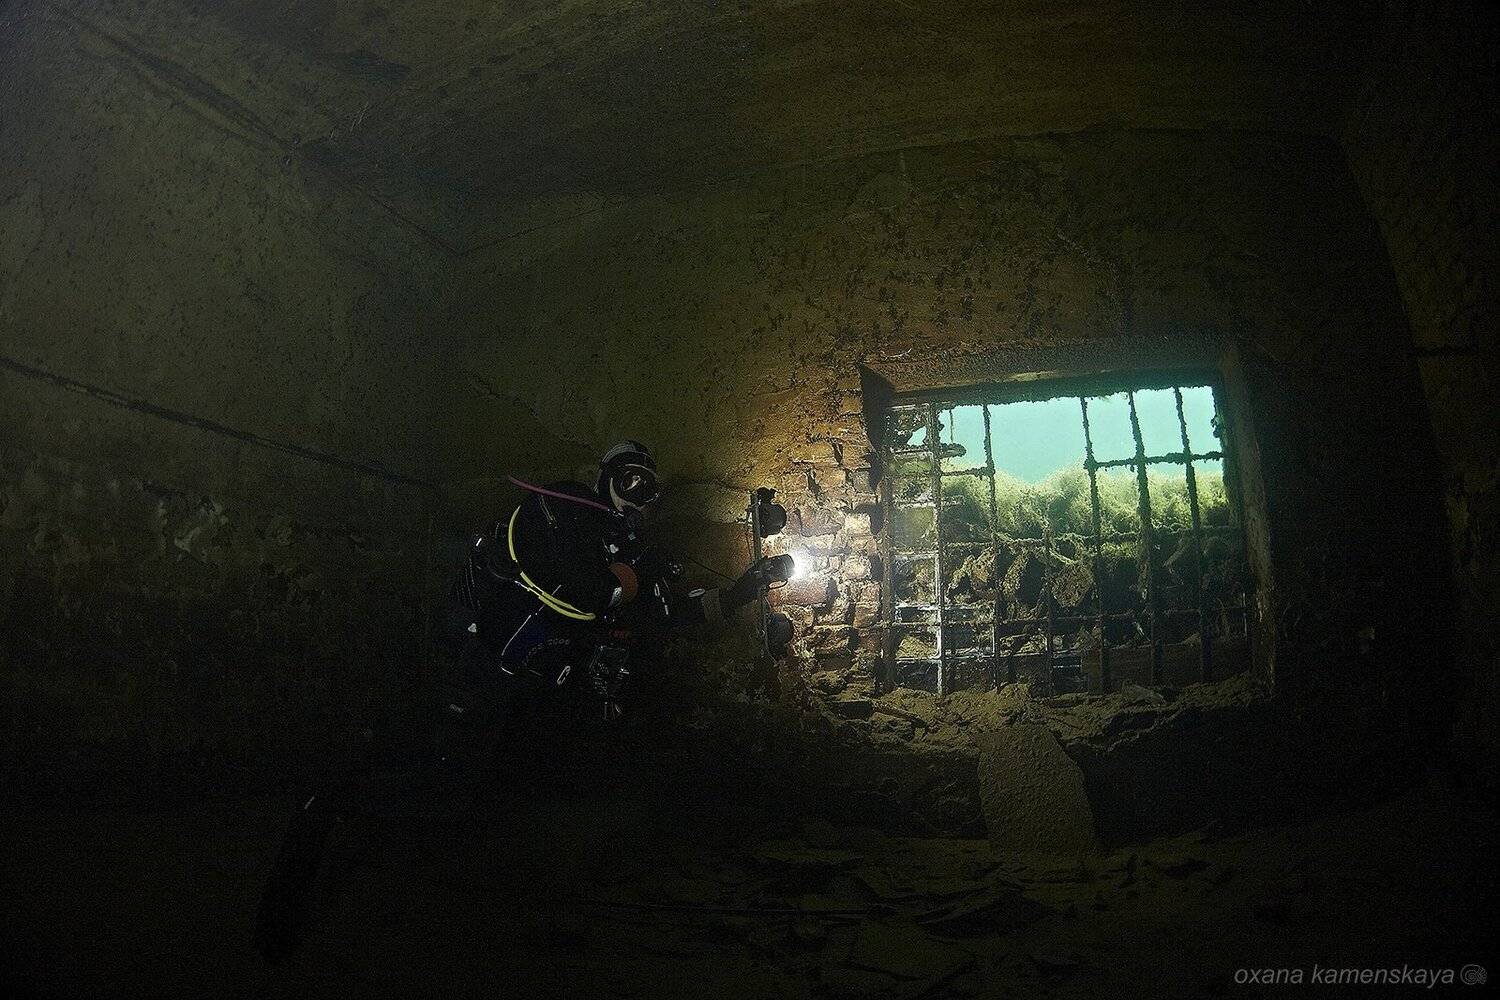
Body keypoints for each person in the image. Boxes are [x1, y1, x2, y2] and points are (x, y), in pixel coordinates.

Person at [254, 440, 788, 961]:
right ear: (605, 478)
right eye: (631, 480)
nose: (639, 495)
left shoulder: (626, 550)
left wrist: (744, 589)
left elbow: (670, 616)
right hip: (490, 667)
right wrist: (634, 578)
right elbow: (578, 595)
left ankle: (506, 922)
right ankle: (323, 809)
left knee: (515, 789)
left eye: (650, 489)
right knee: (443, 783)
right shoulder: (560, 508)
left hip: (543, 686)